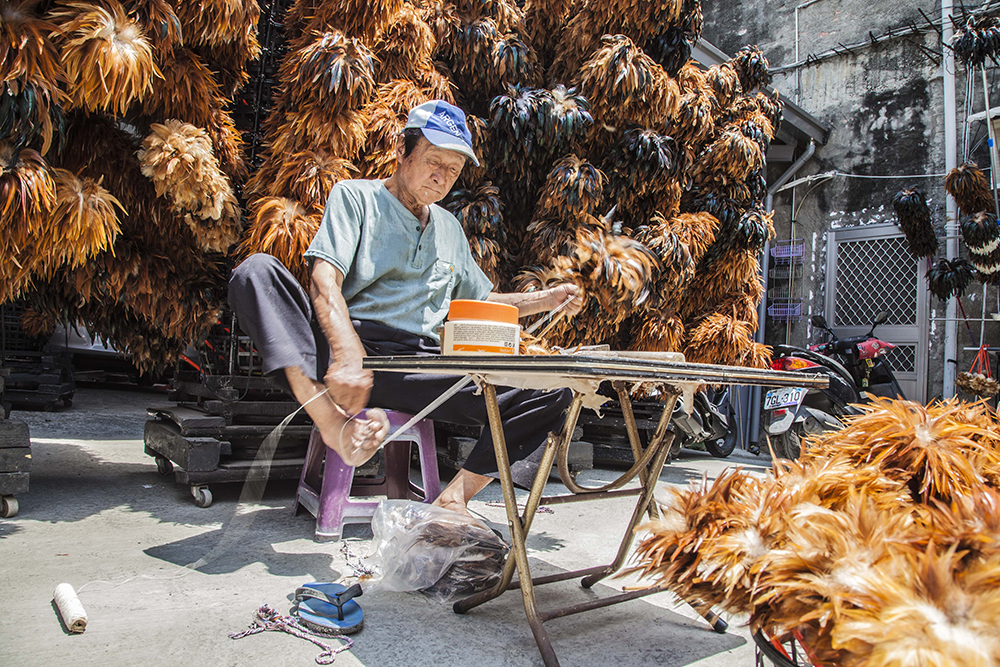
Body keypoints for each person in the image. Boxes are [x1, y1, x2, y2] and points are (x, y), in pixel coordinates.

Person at [229, 100, 583, 516]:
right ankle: (333, 424)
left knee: (554, 390)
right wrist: (347, 351)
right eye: (434, 161)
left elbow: (477, 303)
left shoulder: (450, 228)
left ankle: (455, 498)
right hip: (346, 348)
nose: (441, 176)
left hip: (418, 365)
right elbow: (325, 280)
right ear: (402, 150)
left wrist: (545, 299)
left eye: (453, 170)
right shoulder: (355, 197)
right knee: (256, 272)